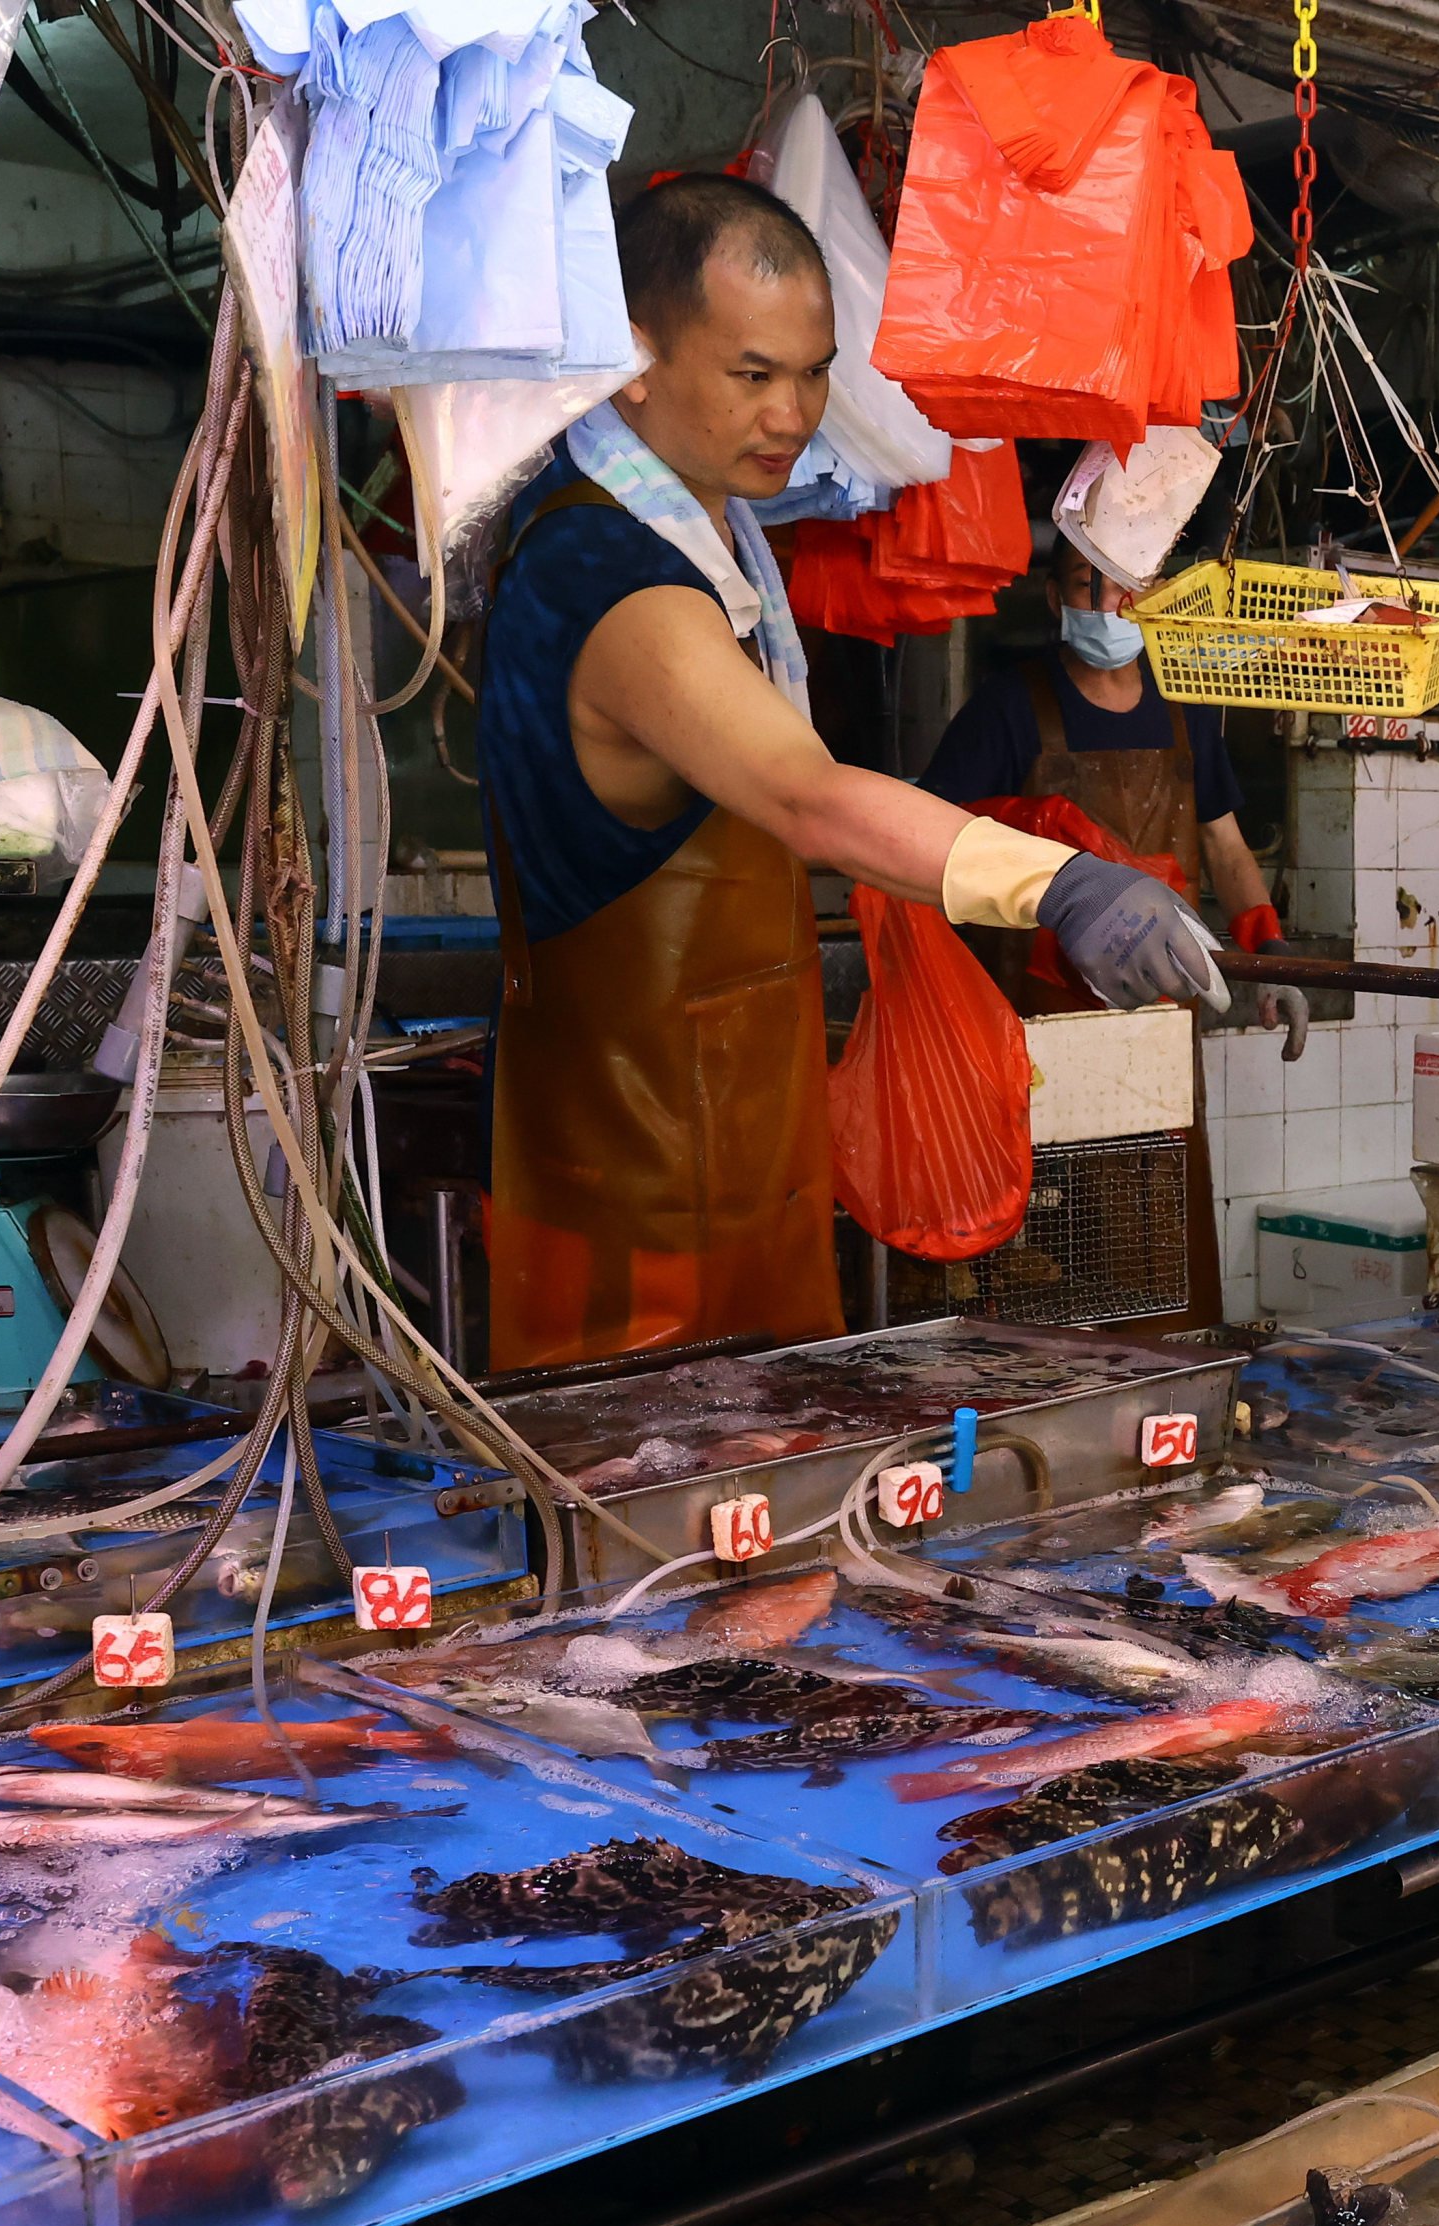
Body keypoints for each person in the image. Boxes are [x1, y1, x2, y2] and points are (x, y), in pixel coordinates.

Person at [472, 173, 1225, 1371]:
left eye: (816, 372)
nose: (795, 413)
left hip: (748, 1160)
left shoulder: (714, 538)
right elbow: (806, 797)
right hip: (629, 1197)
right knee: (643, 1517)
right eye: (753, 373)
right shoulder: (606, 576)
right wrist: (1058, 886)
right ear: (634, 359)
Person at [920, 539, 1282, 962]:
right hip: (1036, 996)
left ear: (1157, 593)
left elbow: (1226, 848)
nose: (1111, 605)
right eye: (1088, 587)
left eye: (1130, 585)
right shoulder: (1008, 706)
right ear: (1056, 599)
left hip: (1167, 990)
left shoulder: (1184, 707)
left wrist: (1269, 949)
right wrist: (1025, 821)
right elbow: (933, 834)